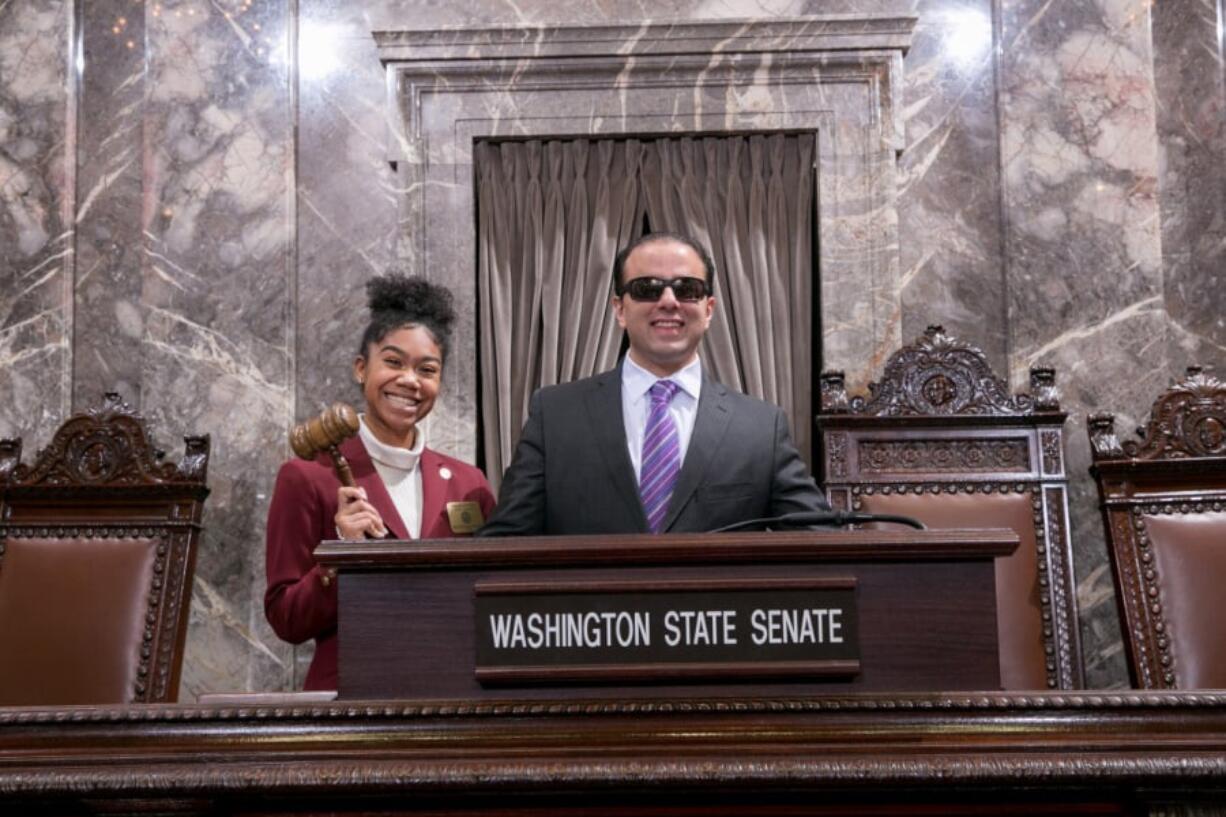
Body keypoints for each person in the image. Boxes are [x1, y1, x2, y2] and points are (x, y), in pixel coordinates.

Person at [480, 232, 829, 536]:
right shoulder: (555, 416)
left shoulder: (760, 428)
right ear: (619, 308)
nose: (668, 301)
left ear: (708, 310)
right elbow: (505, 543)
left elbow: (823, 542)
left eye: (686, 289)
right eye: (646, 288)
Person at [265, 275, 496, 690]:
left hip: (453, 698)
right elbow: (286, 620)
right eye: (393, 362)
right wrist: (340, 559)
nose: (410, 380)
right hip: (352, 702)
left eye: (427, 369)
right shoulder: (309, 477)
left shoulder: (469, 484)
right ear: (361, 368)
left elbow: (492, 599)